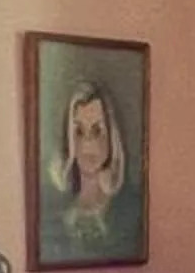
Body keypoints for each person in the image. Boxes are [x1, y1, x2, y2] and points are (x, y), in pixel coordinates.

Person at [46, 74, 142, 257]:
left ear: (112, 136)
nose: (88, 144)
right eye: (79, 132)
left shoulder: (130, 213)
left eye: (97, 131)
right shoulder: (55, 221)